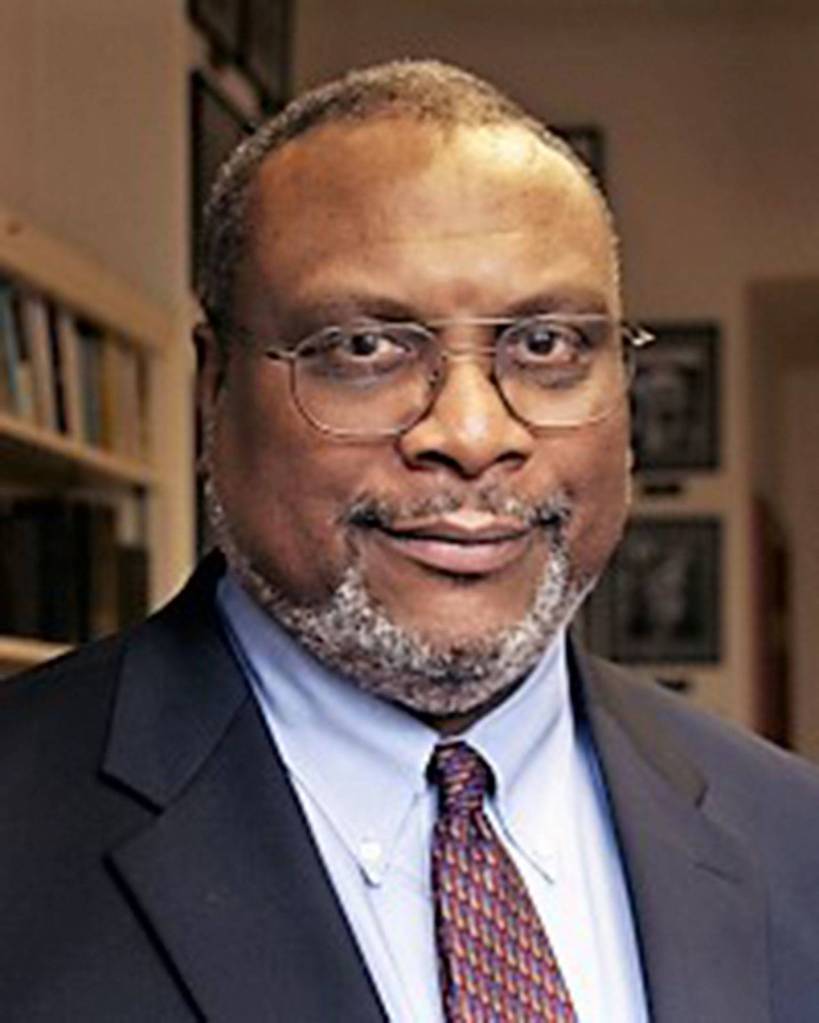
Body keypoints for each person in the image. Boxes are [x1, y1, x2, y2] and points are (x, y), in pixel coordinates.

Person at [1, 59, 817, 1023]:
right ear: (213, 390)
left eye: (546, 345)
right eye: (364, 348)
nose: (471, 434)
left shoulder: (792, 836)